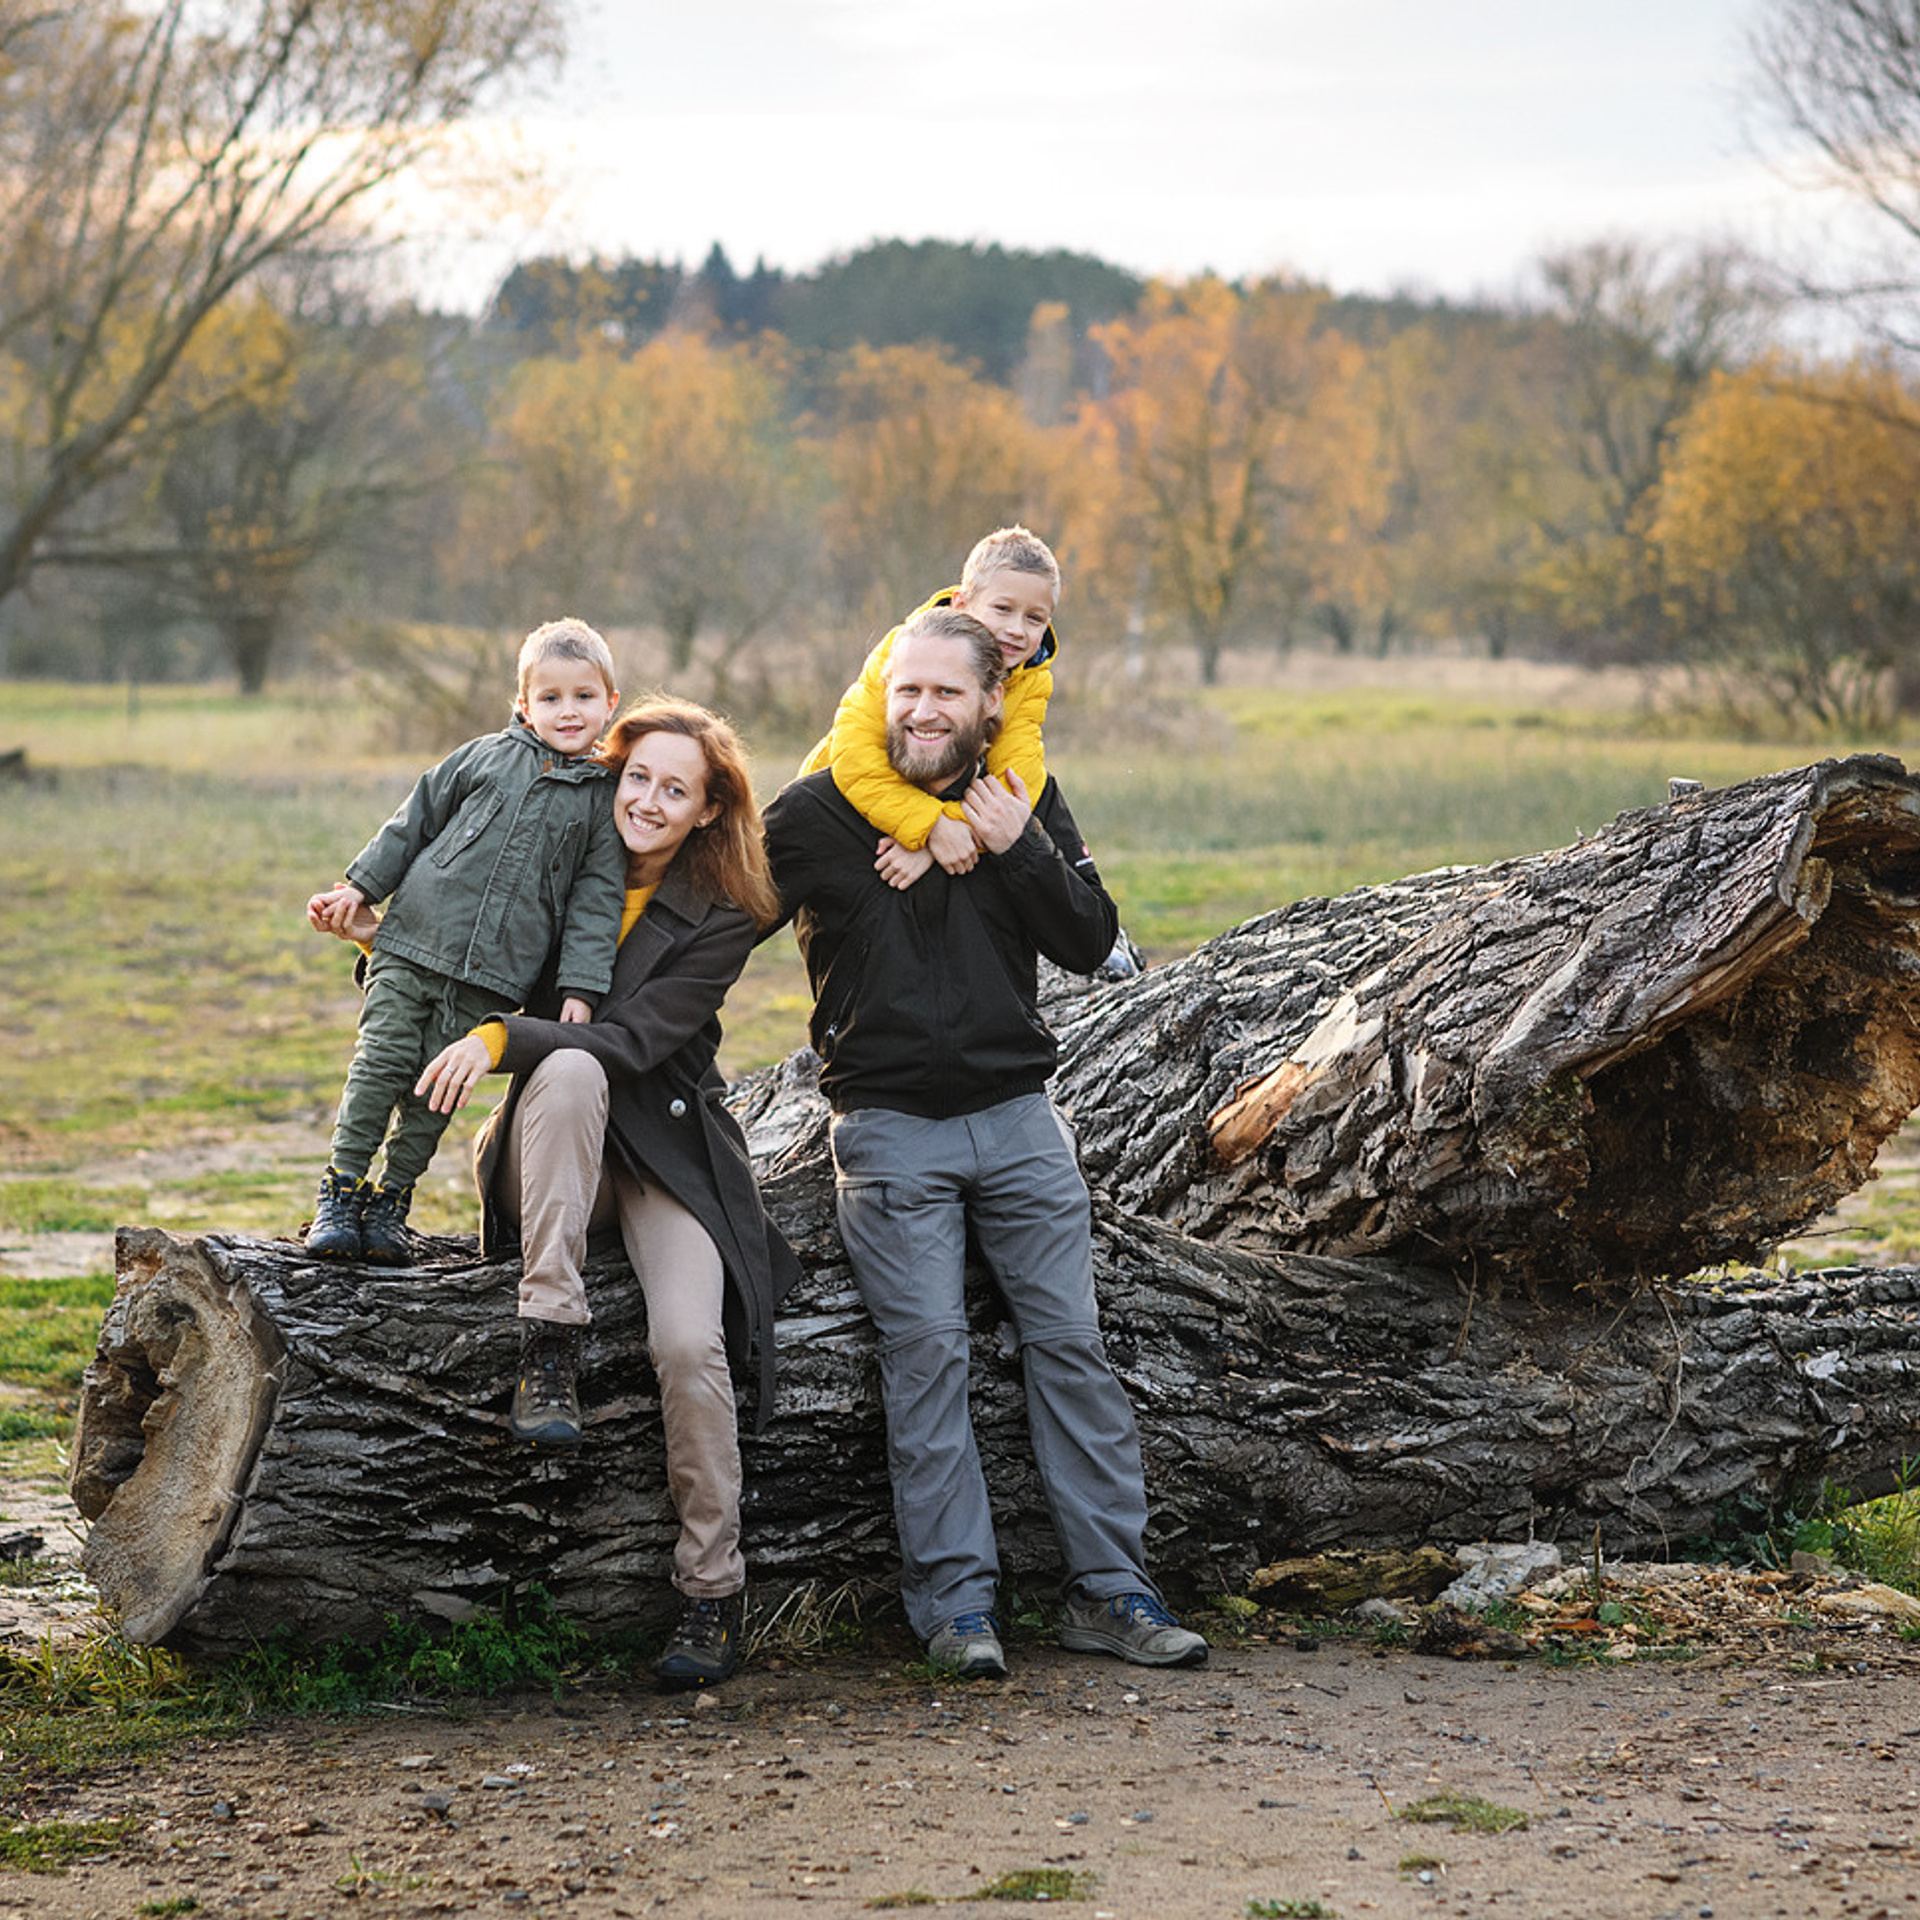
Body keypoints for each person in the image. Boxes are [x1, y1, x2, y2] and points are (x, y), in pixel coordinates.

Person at [764, 606, 1206, 1679]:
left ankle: (1112, 1593)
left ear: (990, 701)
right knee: (927, 1364)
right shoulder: (815, 814)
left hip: (1020, 1126)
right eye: (904, 690)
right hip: (890, 1137)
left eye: (945, 693)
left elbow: (1091, 938)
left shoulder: (1023, 794)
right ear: (878, 693)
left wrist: (1018, 852)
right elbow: (705, 932)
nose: (922, 710)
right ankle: (957, 1610)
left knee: (1072, 1352)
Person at [410, 696, 799, 1691]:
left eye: (678, 789)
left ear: (711, 810)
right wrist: (378, 926)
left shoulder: (721, 917)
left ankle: (712, 1591)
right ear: (612, 775)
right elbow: (457, 957)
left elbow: (632, 1042)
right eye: (638, 778)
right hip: (546, 1149)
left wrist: (501, 1039)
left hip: (665, 1154)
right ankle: (550, 1340)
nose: (651, 801)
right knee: (571, 1077)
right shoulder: (551, 862)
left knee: (689, 1340)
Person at [302, 618, 625, 1265]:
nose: (568, 711)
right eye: (551, 698)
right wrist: (359, 889)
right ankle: (340, 1192)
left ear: (610, 703)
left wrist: (580, 989)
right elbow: (411, 822)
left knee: (433, 1093)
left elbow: (596, 901)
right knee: (380, 1066)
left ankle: (391, 1201)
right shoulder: (482, 757)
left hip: (490, 980)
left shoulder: (601, 804)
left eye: (584, 697)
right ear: (523, 705)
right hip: (411, 945)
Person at [798, 525, 1060, 889]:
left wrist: (947, 835)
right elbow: (855, 756)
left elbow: (1019, 782)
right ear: (962, 604)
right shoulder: (905, 650)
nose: (1017, 629)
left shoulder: (1029, 680)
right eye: (1003, 609)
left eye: (1034, 618)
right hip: (845, 805)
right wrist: (930, 827)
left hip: (932, 812)